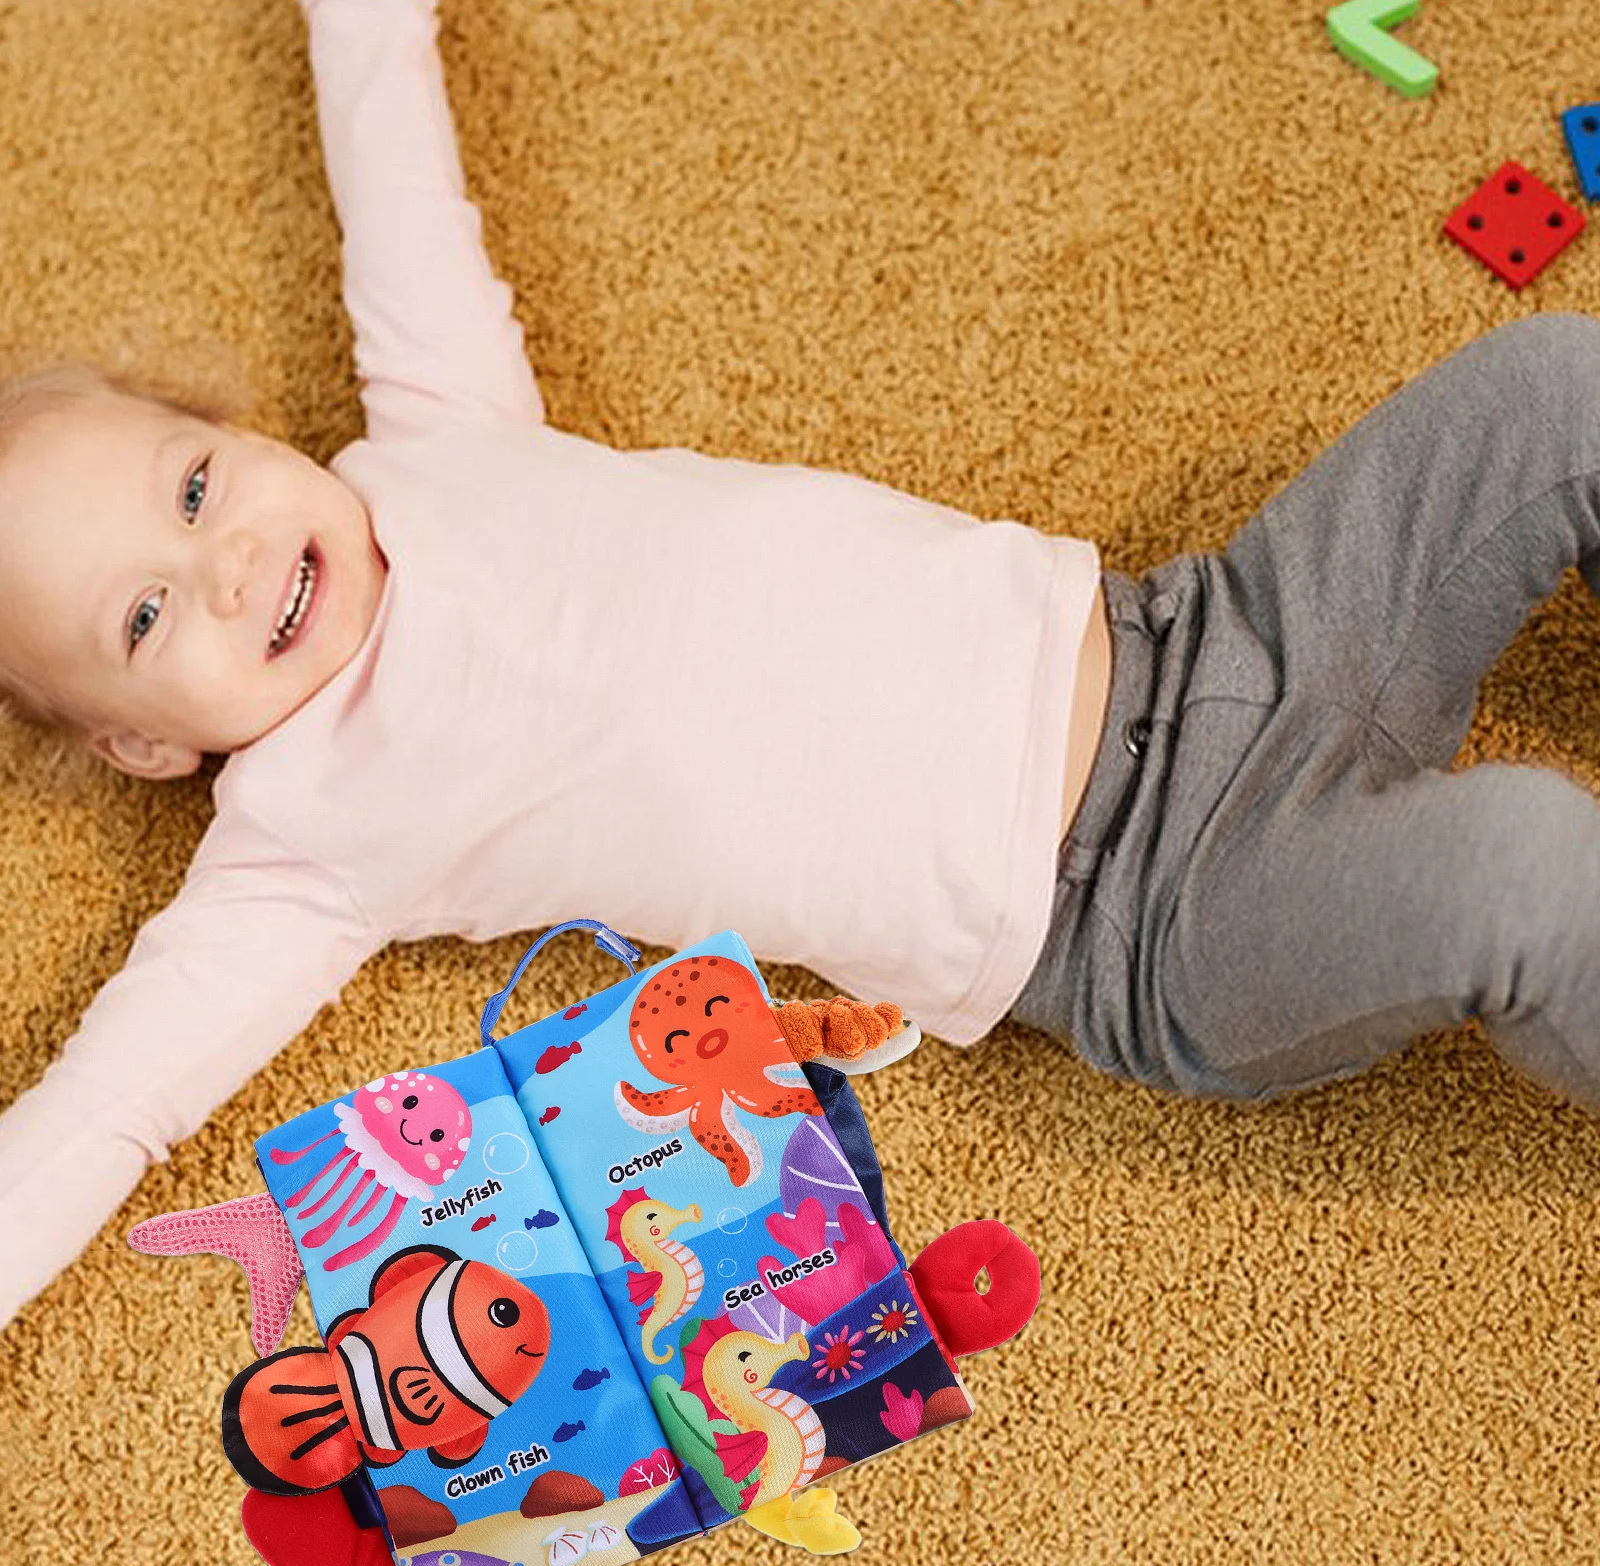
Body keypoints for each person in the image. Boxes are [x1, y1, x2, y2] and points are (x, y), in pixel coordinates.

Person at [2, 0, 1599, 1337]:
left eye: (197, 483)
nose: (220, 566)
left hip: (1221, 626)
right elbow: (97, 1118)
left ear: (235, 432)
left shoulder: (432, 432)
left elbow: (398, 182)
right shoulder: (300, 849)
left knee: (1553, 385)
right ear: (145, 749)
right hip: (1156, 918)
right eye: (145, 623)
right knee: (1521, 864)